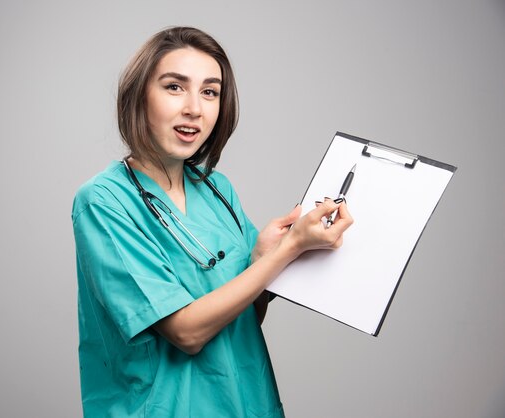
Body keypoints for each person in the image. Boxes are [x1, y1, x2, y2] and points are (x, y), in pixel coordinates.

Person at [71, 26, 352, 418]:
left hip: (245, 404)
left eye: (210, 91)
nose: (195, 109)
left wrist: (261, 259)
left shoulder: (217, 189)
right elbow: (186, 332)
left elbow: (245, 316)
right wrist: (289, 249)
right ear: (139, 96)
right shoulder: (104, 202)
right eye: (174, 87)